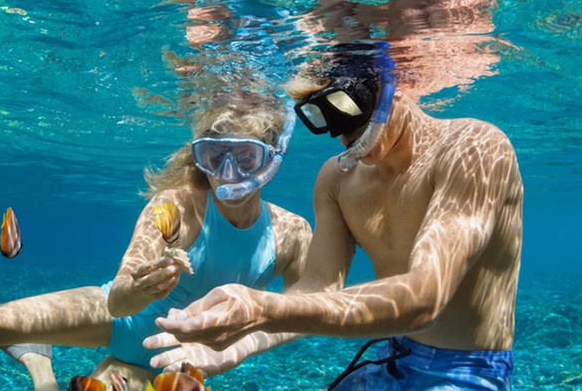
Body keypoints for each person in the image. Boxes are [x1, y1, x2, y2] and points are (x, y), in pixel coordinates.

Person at [0, 90, 312, 390]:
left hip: (175, 365)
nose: (228, 174)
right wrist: (139, 288)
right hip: (116, 320)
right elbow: (118, 298)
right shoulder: (173, 208)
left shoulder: (291, 232)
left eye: (244, 158)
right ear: (198, 155)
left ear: (272, 158)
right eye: (213, 155)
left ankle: (38, 364)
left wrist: (237, 346)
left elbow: (309, 309)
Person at [146, 56, 523, 391]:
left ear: (396, 86)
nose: (343, 133)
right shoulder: (337, 179)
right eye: (325, 116)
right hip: (392, 356)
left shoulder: (475, 146)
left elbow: (426, 298)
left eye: (349, 104)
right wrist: (244, 341)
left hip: (467, 370)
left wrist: (263, 311)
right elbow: (318, 286)